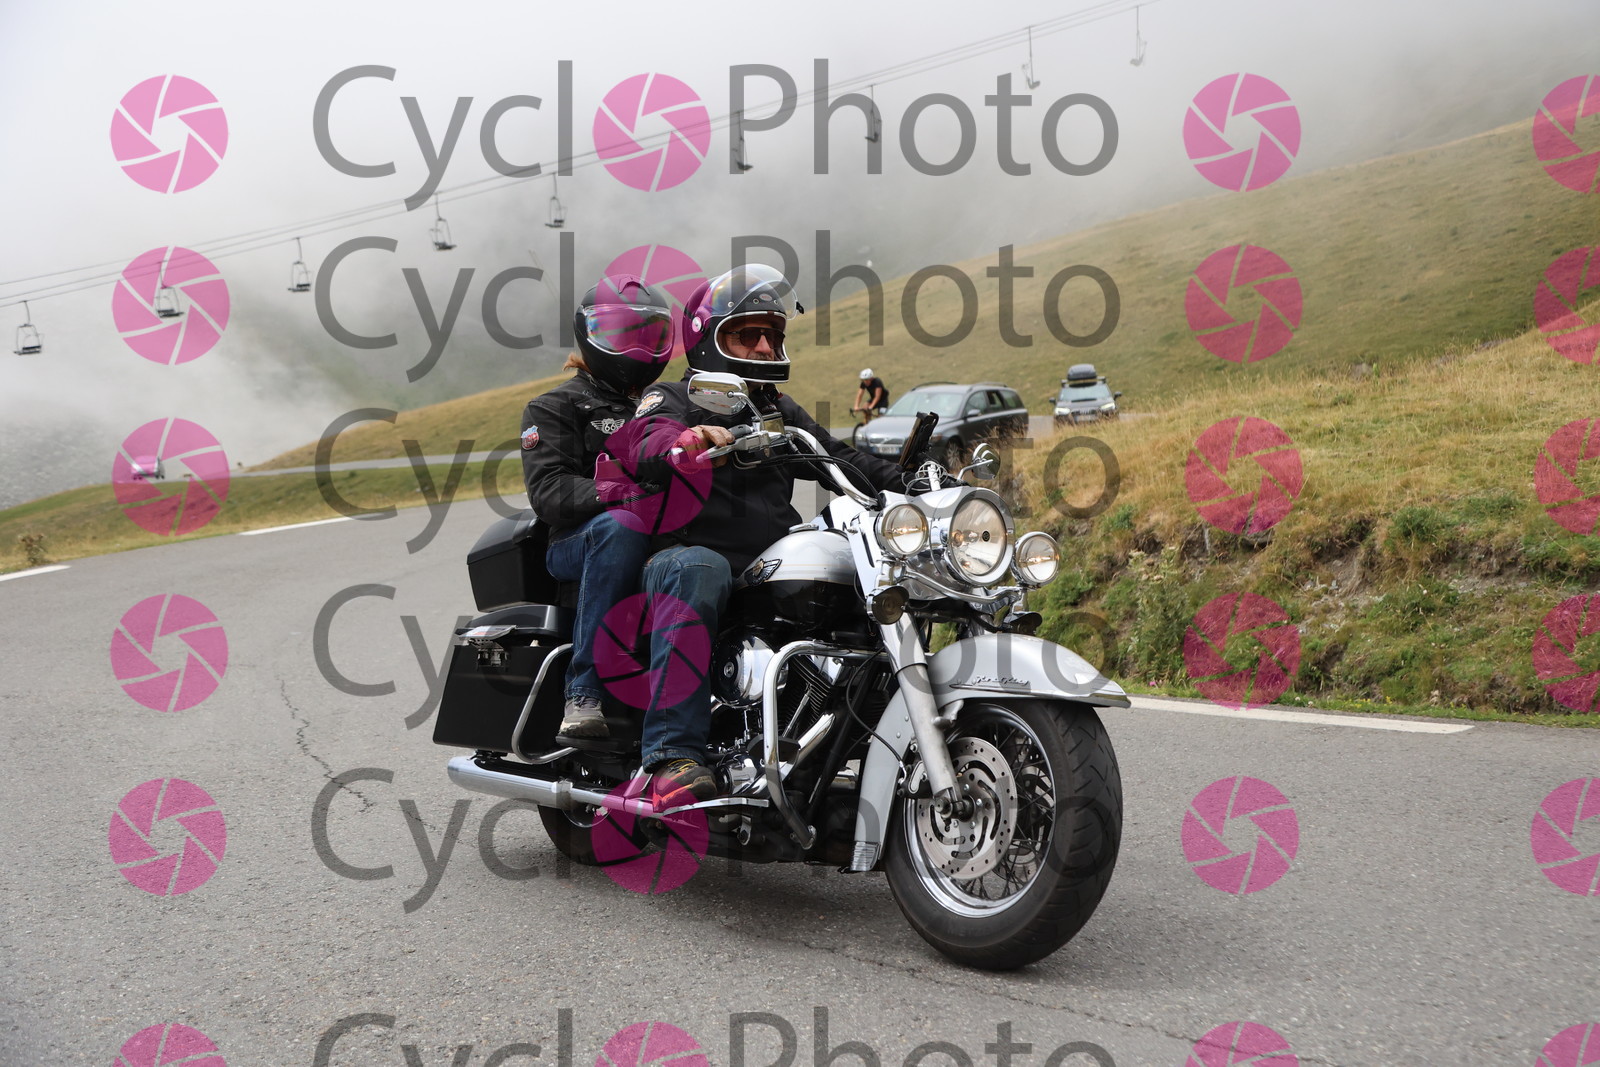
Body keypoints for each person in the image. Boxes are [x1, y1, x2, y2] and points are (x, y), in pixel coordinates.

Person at [622, 264, 906, 808]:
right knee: (699, 566)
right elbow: (645, 443)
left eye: (772, 335)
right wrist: (684, 442)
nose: (763, 346)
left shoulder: (775, 408)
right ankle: (672, 757)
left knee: (850, 568)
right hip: (681, 564)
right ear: (708, 339)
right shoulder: (672, 397)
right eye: (746, 334)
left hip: (762, 568)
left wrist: (921, 480)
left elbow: (839, 460)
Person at [519, 274, 676, 739]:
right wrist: (619, 491)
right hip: (578, 541)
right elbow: (549, 492)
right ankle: (584, 692)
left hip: (659, 535)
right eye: (621, 333)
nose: (637, 346)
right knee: (621, 527)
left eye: (649, 334)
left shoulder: (669, 404)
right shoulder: (554, 406)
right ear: (589, 334)